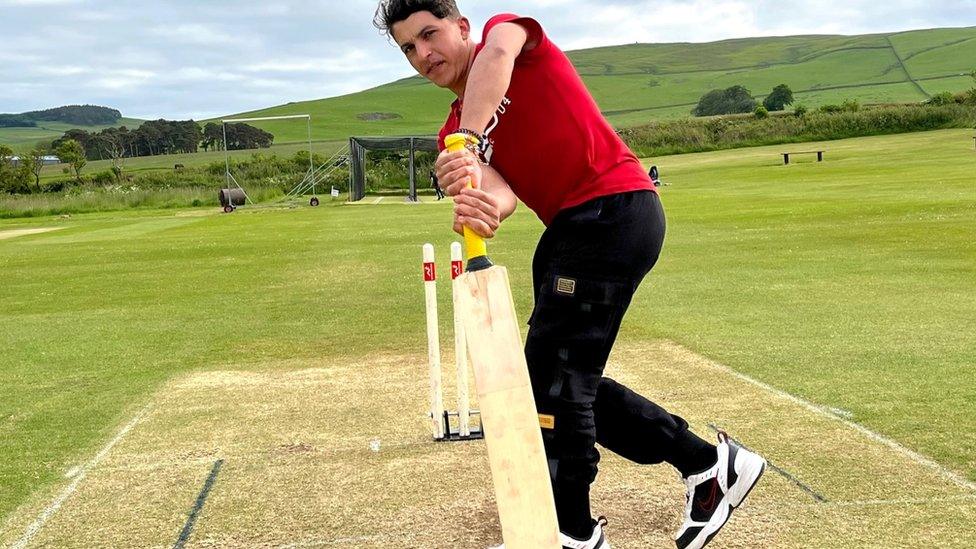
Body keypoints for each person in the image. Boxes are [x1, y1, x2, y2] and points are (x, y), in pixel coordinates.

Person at [374, 3, 766, 548]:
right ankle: (707, 464)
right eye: (408, 49)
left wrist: (468, 140)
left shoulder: (505, 35)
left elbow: (498, 56)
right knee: (553, 379)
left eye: (429, 35)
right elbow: (503, 195)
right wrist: (476, 199)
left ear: (461, 26)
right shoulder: (453, 131)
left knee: (556, 387)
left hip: (613, 208)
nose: (423, 55)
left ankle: (573, 533)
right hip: (572, 228)